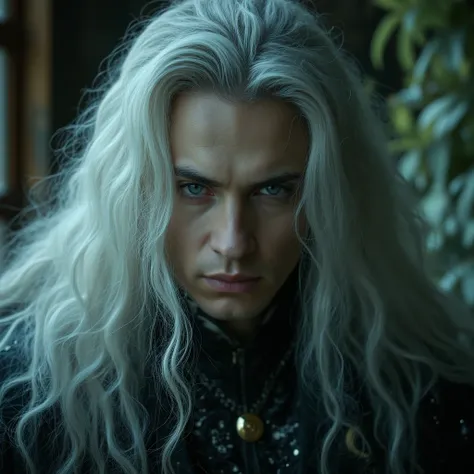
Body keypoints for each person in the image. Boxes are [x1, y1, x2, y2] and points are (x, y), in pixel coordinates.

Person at [0, 0, 473, 473]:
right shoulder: (31, 391)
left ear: (329, 193)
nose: (233, 243)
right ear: (134, 189)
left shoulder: (416, 385)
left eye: (273, 190)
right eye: (194, 188)